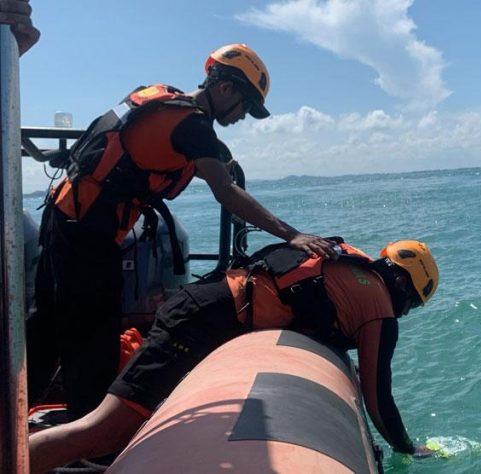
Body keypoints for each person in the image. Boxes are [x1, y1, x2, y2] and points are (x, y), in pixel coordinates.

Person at [26, 43, 338, 420]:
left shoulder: (170, 103)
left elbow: (170, 149)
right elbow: (227, 191)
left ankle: (16, 410)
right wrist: (291, 235)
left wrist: (218, 156)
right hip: (88, 234)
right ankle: (88, 444)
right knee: (92, 339)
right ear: (225, 90)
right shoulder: (193, 125)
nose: (243, 117)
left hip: (64, 215)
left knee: (46, 325)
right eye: (245, 107)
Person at [29, 238, 440, 473]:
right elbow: (378, 399)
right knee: (103, 430)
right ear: (408, 292)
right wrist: (407, 447)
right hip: (202, 321)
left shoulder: (348, 269)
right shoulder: (379, 311)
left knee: (112, 431)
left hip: (202, 305)